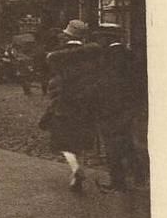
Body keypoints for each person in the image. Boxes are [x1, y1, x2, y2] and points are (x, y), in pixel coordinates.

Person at [41, 19, 103, 191]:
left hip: (64, 103)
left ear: (67, 35)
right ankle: (77, 173)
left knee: (62, 140)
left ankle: (75, 168)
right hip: (85, 103)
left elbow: (52, 77)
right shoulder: (92, 53)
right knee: (81, 139)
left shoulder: (58, 54)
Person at [92, 25, 141, 192]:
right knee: (127, 141)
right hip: (128, 107)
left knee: (112, 144)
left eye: (100, 37)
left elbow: (105, 85)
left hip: (111, 108)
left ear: (108, 38)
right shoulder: (130, 54)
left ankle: (118, 182)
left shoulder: (107, 57)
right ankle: (140, 175)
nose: (98, 41)